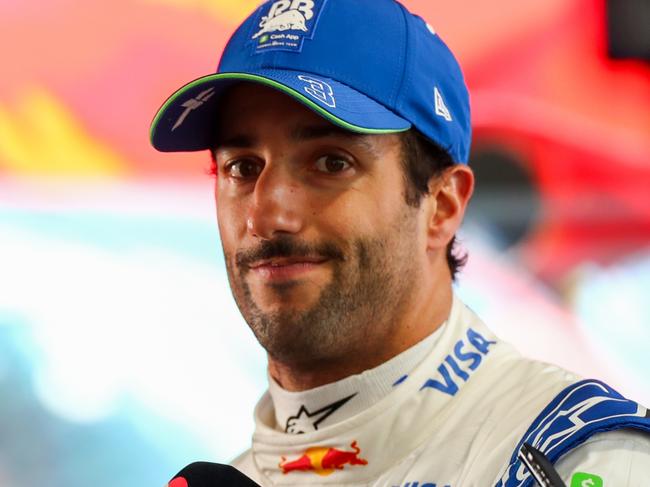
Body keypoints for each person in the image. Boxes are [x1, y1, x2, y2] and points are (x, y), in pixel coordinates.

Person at [150, 0, 650, 485]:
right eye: (242, 168)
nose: (267, 214)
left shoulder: (584, 461)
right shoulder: (233, 477)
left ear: (444, 205)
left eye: (330, 162)